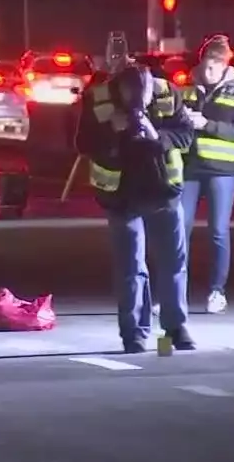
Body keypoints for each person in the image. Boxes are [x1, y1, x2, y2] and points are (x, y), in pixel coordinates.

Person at [75, 60, 197, 353]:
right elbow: (82, 142)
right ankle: (134, 335)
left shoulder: (167, 93)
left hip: (163, 191)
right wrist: (113, 132)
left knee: (172, 263)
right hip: (121, 195)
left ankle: (174, 329)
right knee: (131, 266)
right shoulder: (98, 97)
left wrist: (156, 136)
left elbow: (186, 134)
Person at [180, 35, 234, 315]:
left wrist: (206, 124)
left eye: (214, 69)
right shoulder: (187, 88)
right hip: (190, 168)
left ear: (225, 67)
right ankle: (175, 291)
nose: (208, 74)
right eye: (205, 68)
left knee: (218, 230)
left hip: (223, 171)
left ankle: (216, 291)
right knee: (179, 228)